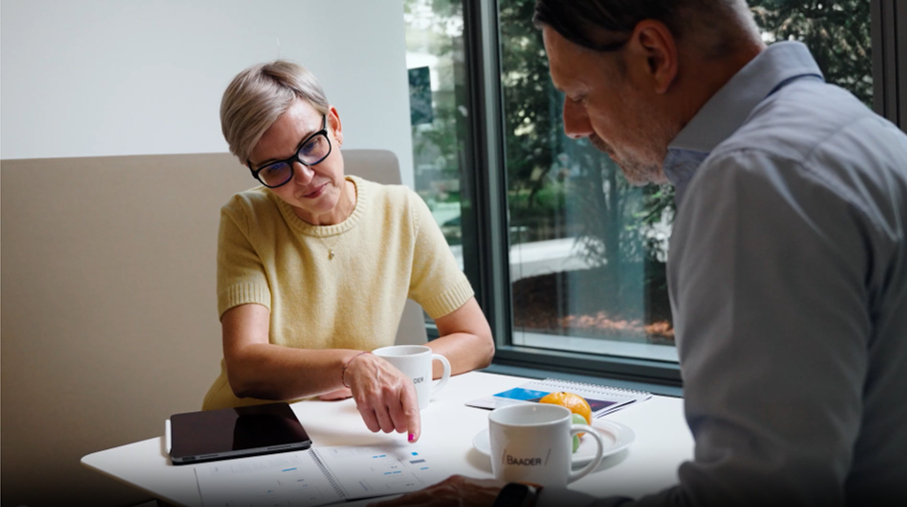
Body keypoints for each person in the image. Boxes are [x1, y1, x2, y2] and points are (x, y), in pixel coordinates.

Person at [370, 0, 907, 505]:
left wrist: (517, 501)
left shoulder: (755, 179)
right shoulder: (859, 134)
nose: (573, 127)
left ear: (654, 54)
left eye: (578, 94)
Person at [202, 60, 495, 444]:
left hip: (347, 425)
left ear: (335, 126)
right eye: (275, 168)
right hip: (252, 430)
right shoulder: (246, 218)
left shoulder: (401, 211)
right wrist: (350, 365)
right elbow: (245, 368)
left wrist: (381, 370)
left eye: (310, 145)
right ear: (251, 168)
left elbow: (477, 340)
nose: (305, 176)